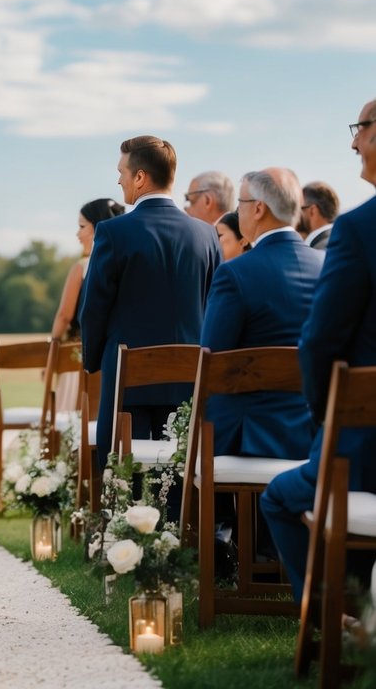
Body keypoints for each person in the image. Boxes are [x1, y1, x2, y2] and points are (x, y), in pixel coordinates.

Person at [262, 98, 376, 603]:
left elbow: (321, 342)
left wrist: (324, 414)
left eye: (361, 128)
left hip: (365, 451)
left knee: (282, 498)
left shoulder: (358, 229)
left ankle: (340, 621)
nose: (353, 142)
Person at [80, 136, 221, 463]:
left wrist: (93, 361)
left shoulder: (113, 233)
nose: (118, 180)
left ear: (140, 177)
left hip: (127, 385)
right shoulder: (207, 234)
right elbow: (214, 306)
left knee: (123, 477)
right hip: (191, 381)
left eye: (122, 172)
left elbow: (94, 309)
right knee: (181, 477)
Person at [200, 168, 320, 459]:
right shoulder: (327, 266)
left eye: (239, 204)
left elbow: (210, 362)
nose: (236, 211)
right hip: (317, 433)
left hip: (249, 435)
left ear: (258, 209)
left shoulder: (234, 273)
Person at [49, 198, 125, 414]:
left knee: (72, 422)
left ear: (98, 227)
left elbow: (64, 315)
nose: (78, 234)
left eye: (82, 227)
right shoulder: (124, 265)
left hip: (80, 358)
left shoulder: (82, 268)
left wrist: (53, 349)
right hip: (116, 362)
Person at [298, 180, 339, 250]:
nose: (296, 215)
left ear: (312, 210)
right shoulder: (340, 240)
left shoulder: (321, 248)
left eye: (298, 209)